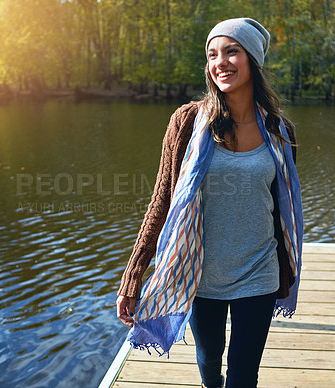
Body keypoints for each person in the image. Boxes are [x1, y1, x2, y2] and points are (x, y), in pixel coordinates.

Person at [116, 17, 303, 388]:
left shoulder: (280, 131)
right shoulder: (187, 123)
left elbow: (283, 209)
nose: (221, 62)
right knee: (209, 361)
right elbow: (162, 201)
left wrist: (286, 271)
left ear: (252, 59)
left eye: (232, 51)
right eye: (213, 54)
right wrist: (134, 272)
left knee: (243, 375)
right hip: (199, 273)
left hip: (259, 271)